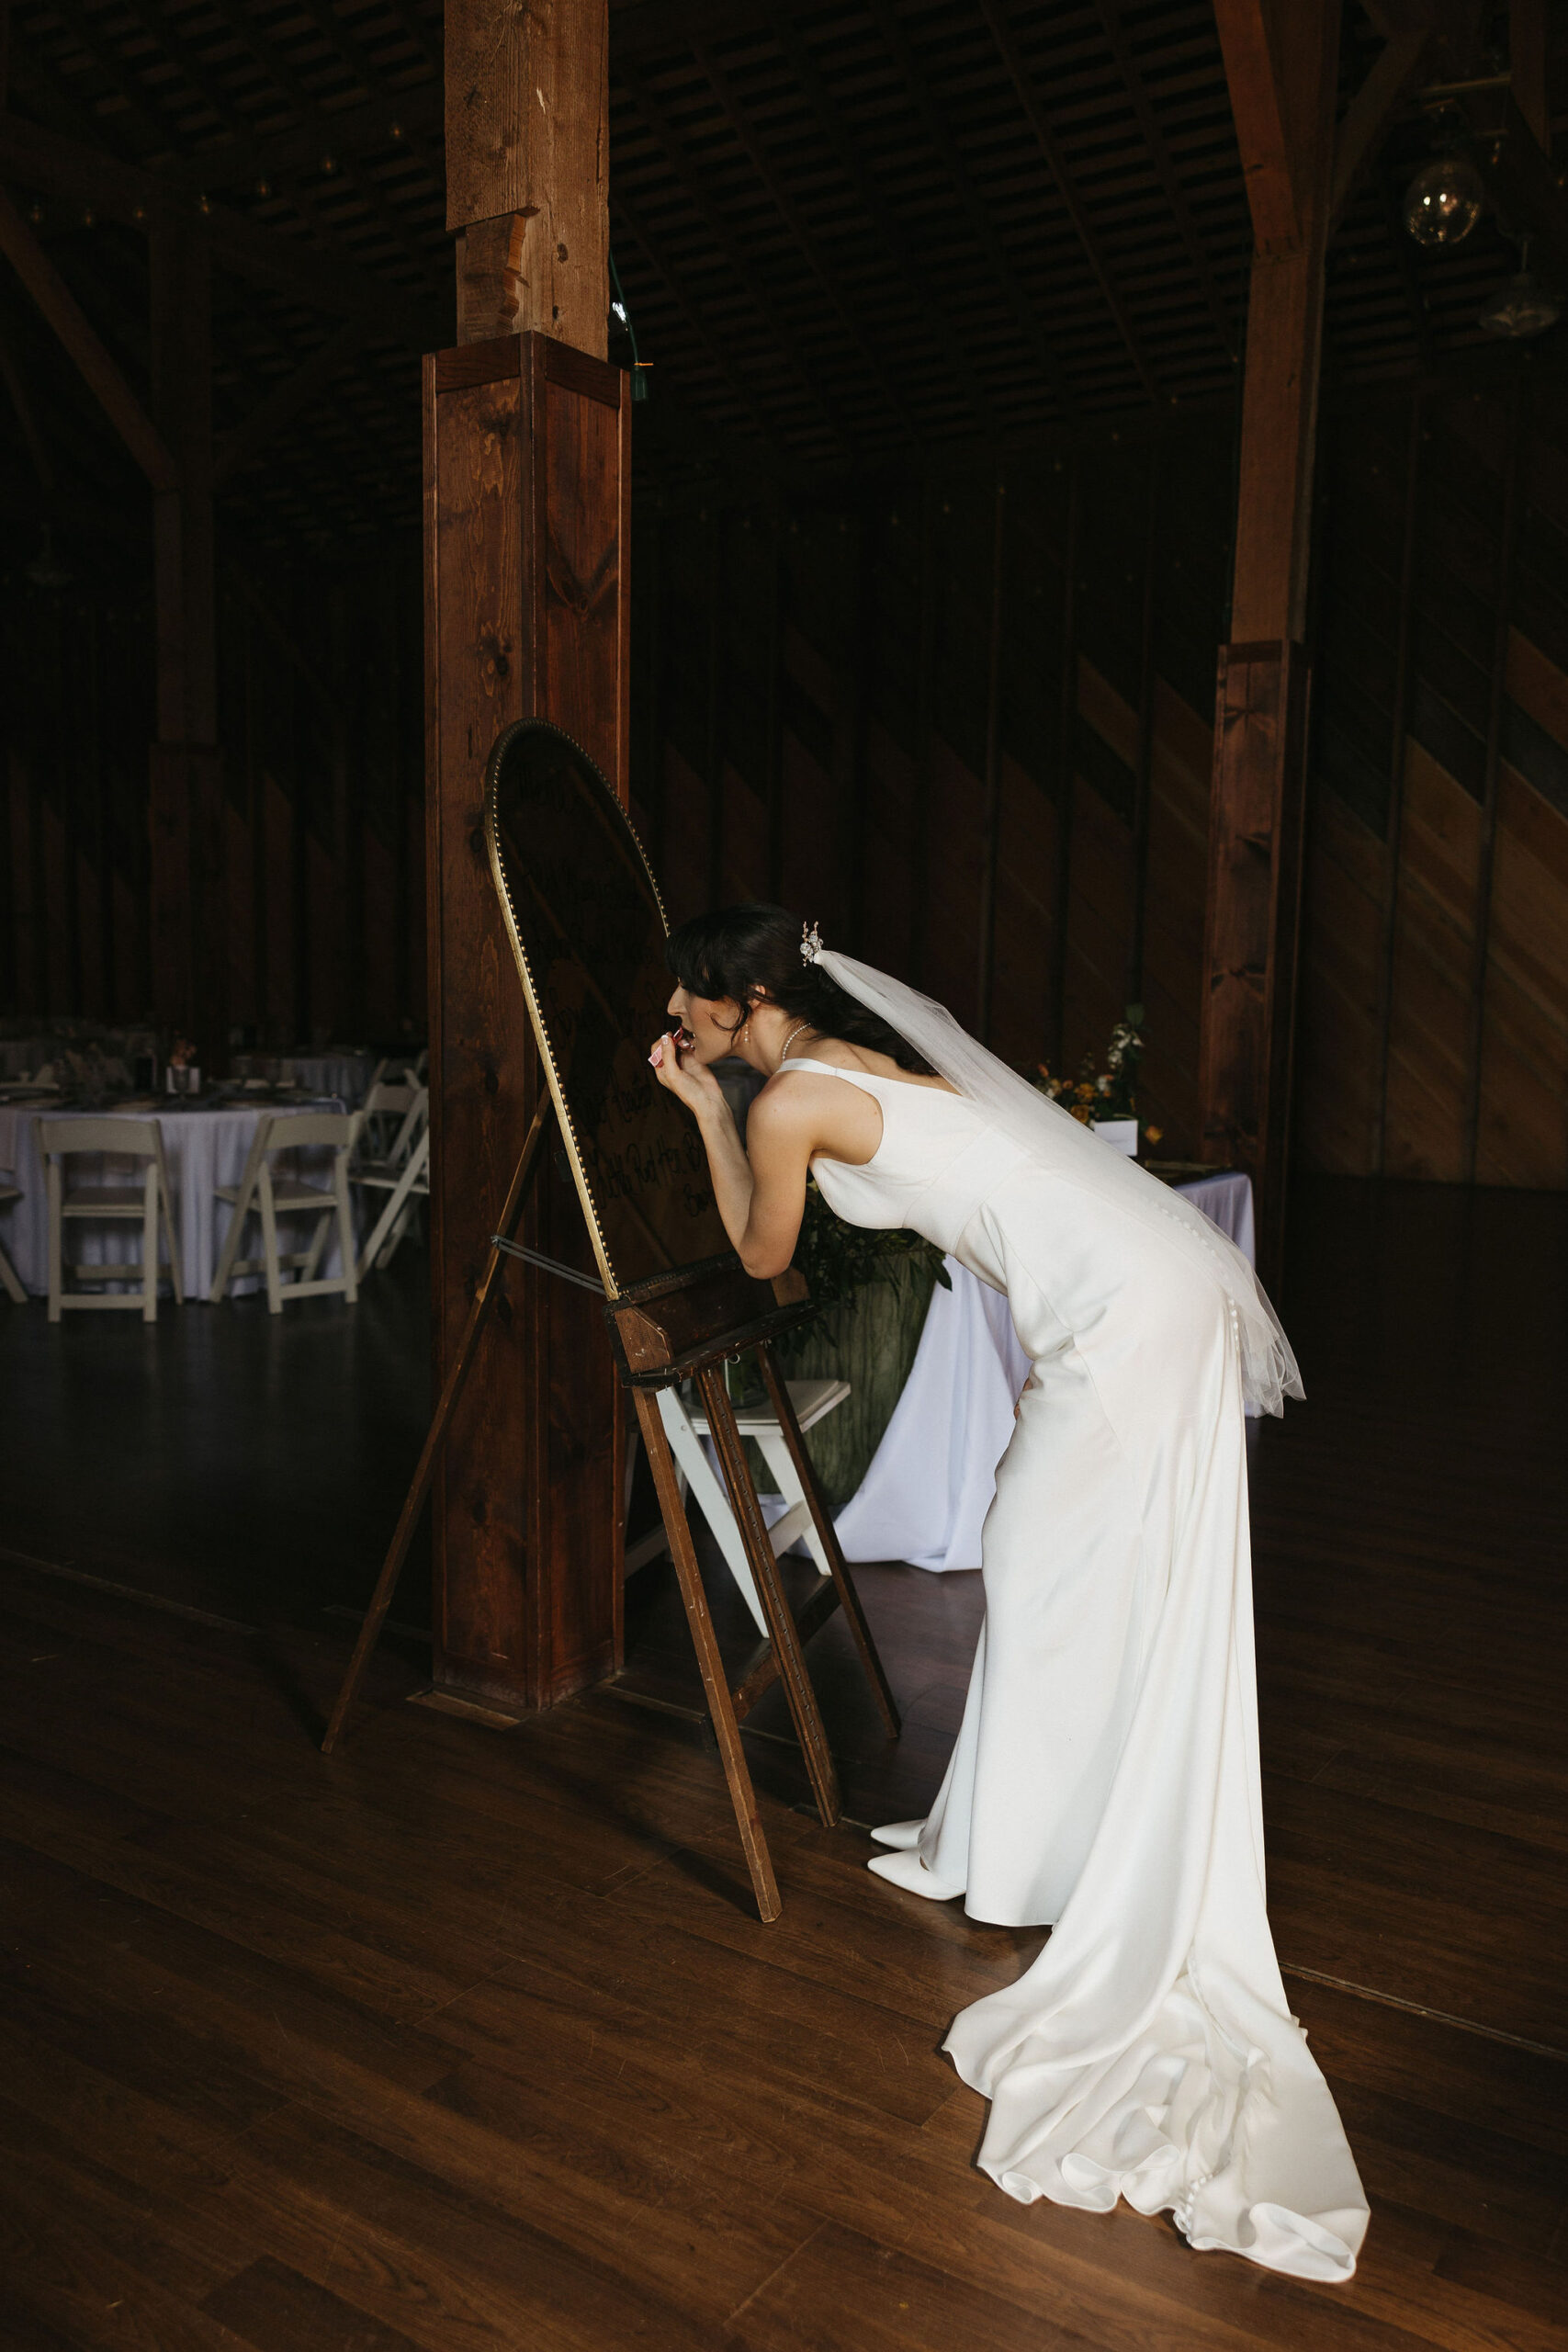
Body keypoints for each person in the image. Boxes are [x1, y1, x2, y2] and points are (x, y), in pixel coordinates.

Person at [649, 901, 1368, 2284]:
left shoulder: (795, 1096)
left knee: (1033, 1557)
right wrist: (705, 1088)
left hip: (1125, 1312)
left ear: (742, 1001)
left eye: (699, 1010)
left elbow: (759, 1256)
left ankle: (1044, 1852)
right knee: (1053, 1560)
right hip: (1125, 1294)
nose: (692, 1030)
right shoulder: (844, 1070)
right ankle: (1017, 1839)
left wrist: (701, 1107)